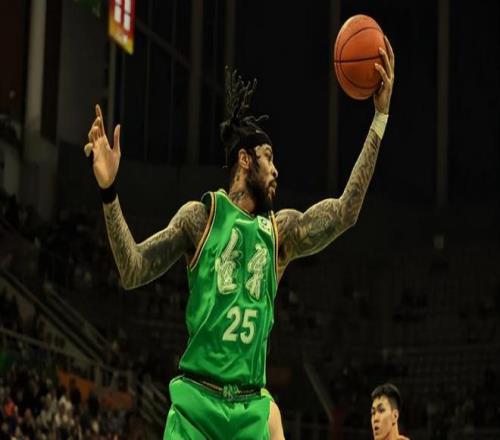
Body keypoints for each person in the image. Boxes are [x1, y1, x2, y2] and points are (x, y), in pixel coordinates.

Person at [84, 36, 394, 439]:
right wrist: (109, 191)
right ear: (245, 160)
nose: (276, 170)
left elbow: (346, 211)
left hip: (249, 411)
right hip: (196, 408)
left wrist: (380, 117)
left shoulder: (280, 232)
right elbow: (132, 269)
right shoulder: (201, 218)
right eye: (269, 158)